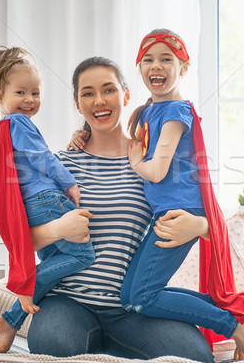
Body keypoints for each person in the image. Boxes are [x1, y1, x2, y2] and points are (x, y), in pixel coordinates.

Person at [25, 56, 216, 362]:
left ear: (126, 95)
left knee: (195, 355)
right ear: (77, 104)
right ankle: (97, 345)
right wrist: (60, 229)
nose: (99, 100)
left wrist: (200, 226)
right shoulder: (61, 164)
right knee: (53, 346)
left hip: (131, 306)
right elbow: (22, 236)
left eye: (108, 90)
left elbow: (204, 212)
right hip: (67, 301)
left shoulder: (150, 161)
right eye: (87, 93)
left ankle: (110, 346)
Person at [120, 29, 244, 360]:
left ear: (183, 67)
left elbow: (155, 170)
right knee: (129, 298)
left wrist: (137, 161)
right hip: (163, 211)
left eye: (167, 59)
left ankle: (234, 326)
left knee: (143, 297)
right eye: (149, 59)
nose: (157, 66)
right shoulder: (146, 112)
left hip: (179, 212)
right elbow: (121, 144)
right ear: (139, 67)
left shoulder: (175, 112)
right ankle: (239, 317)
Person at [0, 46, 95, 353]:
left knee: (55, 261)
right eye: (21, 92)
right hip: (47, 199)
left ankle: (11, 319)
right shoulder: (18, 123)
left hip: (33, 205)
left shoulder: (5, 126)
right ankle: (17, 303)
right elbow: (42, 157)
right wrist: (70, 182)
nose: (29, 100)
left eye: (35, 93)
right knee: (83, 256)